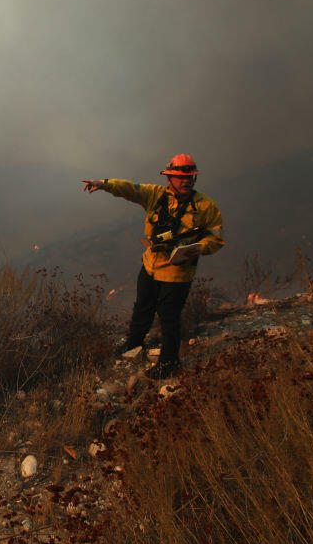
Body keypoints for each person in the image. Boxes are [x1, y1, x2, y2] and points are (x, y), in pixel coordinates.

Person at [82, 154, 225, 379]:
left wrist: (197, 248)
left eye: (189, 177)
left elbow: (216, 238)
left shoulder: (205, 206)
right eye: (180, 177)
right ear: (170, 178)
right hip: (151, 264)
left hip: (177, 272)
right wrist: (104, 185)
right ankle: (133, 345)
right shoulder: (157, 196)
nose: (185, 181)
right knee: (143, 307)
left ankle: (169, 362)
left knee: (169, 316)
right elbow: (131, 189)